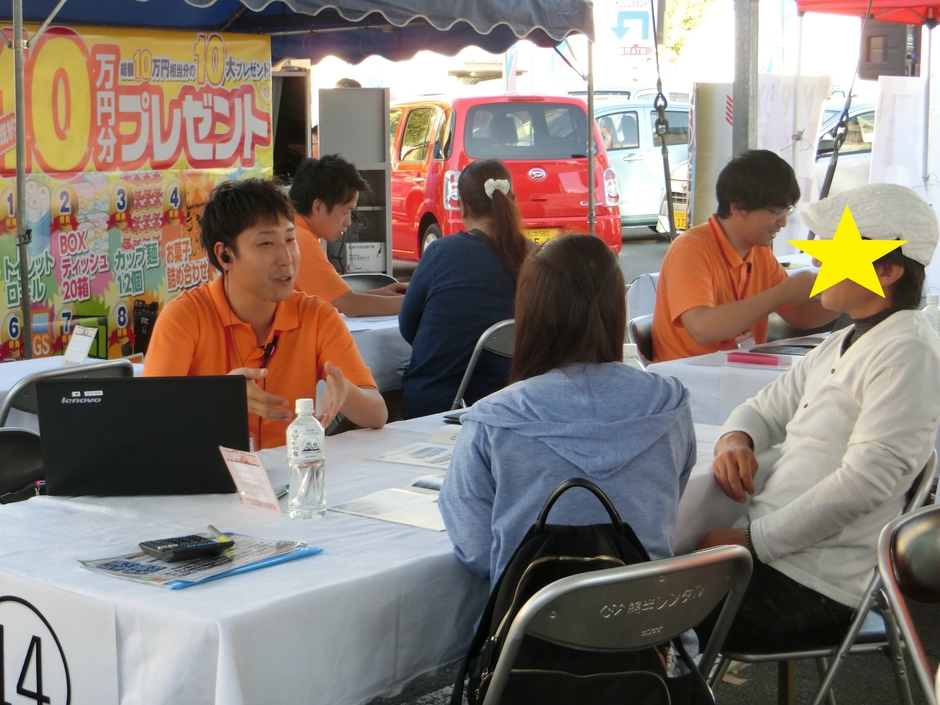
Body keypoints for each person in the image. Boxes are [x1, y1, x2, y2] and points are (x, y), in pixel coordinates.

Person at [696, 183, 940, 651]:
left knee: (645, 609)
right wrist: (736, 438)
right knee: (641, 584)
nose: (816, 262)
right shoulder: (844, 340)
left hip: (814, 583)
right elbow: (762, 408)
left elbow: (865, 482)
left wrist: (752, 540)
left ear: (887, 270)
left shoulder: (908, 352)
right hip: (775, 558)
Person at [439, 234, 697, 582]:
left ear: (529, 313)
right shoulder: (670, 404)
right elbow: (665, 511)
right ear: (616, 308)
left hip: (535, 613)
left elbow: (479, 551)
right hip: (650, 609)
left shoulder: (492, 420)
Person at [144, 178, 387, 450]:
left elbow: (377, 414)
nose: (286, 258)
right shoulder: (185, 316)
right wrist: (220, 398)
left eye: (290, 239)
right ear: (225, 255)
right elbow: (149, 420)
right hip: (207, 470)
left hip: (291, 470)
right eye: (266, 244)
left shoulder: (317, 316)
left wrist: (346, 392)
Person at [652, 149, 838, 362]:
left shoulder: (759, 250)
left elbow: (800, 316)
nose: (783, 222)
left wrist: (850, 288)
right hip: (686, 374)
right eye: (775, 211)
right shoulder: (690, 249)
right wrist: (785, 292)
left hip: (743, 370)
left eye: (787, 210)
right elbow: (701, 329)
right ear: (738, 206)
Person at [398, 160, 529, 419]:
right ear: (512, 200)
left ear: (463, 205)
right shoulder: (537, 260)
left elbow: (409, 327)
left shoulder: (440, 253)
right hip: (510, 407)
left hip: (436, 408)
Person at [289, 155, 406, 316]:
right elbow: (352, 306)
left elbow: (336, 302)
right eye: (346, 212)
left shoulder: (294, 232)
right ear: (318, 207)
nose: (348, 222)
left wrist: (379, 295)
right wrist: (418, 301)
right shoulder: (301, 241)